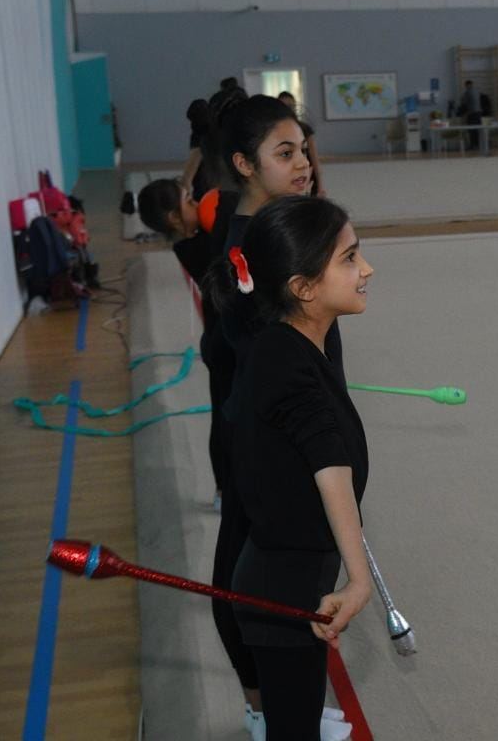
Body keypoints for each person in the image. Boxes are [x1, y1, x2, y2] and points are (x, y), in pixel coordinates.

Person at [209, 94, 351, 740]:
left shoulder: (287, 230)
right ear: (243, 163)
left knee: (290, 576)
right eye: (285, 153)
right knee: (250, 579)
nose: (304, 164)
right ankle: (266, 708)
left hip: (287, 433)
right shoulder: (248, 256)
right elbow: (257, 360)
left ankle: (280, 703)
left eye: (304, 149)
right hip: (267, 446)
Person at [136, 177, 240, 509]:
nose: (196, 203)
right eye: (188, 201)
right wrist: (223, 205)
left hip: (229, 338)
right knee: (224, 417)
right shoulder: (194, 248)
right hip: (223, 345)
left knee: (238, 413)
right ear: (173, 219)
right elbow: (226, 241)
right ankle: (224, 488)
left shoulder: (198, 238)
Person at [278, 91, 326, 197]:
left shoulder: (304, 128)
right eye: (284, 106)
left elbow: (314, 157)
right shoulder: (275, 131)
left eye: (290, 105)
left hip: (306, 174)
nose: (288, 109)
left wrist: (321, 185)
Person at [457, 79, 483, 149]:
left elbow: (464, 103)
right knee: (477, 129)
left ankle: (473, 145)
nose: (466, 87)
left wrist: (460, 112)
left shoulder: (467, 92)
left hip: (472, 113)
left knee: (471, 129)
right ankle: (478, 145)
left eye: (466, 85)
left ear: (467, 85)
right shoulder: (477, 91)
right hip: (478, 113)